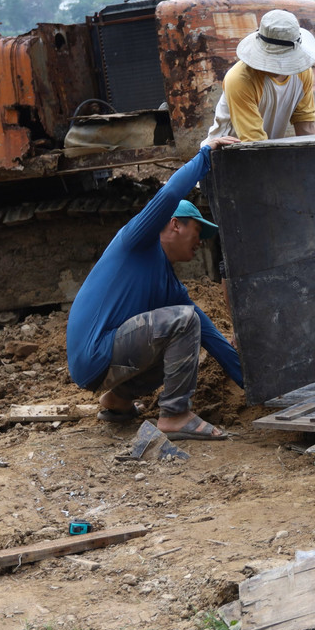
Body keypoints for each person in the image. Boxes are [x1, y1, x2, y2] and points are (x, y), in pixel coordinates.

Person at [66, 135, 243, 440]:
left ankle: (117, 401)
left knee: (183, 332)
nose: (201, 242)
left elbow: (213, 341)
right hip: (92, 353)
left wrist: (255, 384)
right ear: (175, 224)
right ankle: (175, 414)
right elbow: (171, 192)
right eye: (198, 231)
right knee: (184, 321)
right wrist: (205, 155)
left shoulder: (170, 287)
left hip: (101, 360)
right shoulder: (138, 241)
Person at [205, 9, 315, 142]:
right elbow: (254, 142)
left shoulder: (302, 73)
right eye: (274, 59)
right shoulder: (240, 80)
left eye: (282, 58)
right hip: (228, 151)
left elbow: (306, 127)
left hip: (265, 148)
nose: (277, 66)